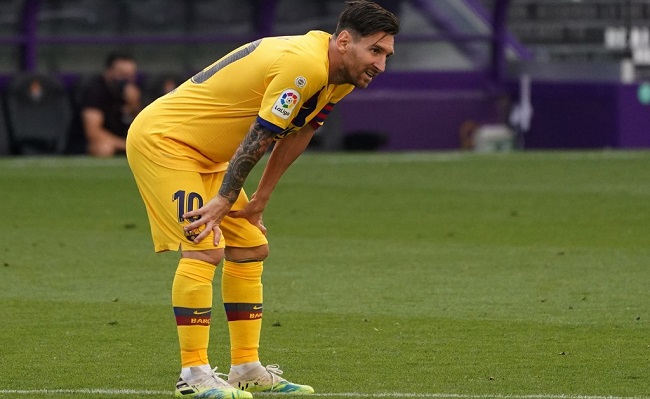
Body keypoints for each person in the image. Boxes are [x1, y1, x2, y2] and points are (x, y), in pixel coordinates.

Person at [126, 1, 399, 398]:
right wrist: (224, 198)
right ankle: (193, 376)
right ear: (343, 41)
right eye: (375, 51)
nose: (381, 64)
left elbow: (298, 133)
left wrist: (260, 201)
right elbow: (262, 135)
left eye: (387, 55)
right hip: (166, 143)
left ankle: (246, 368)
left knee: (250, 246)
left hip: (211, 155)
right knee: (204, 246)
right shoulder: (304, 65)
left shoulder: (339, 74)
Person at [79, 51, 142, 157]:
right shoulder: (96, 91)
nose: (125, 80)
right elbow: (93, 132)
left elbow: (145, 126)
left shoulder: (136, 91)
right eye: (121, 74)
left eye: (130, 75)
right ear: (108, 71)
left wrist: (134, 105)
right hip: (108, 143)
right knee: (104, 148)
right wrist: (127, 145)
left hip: (130, 142)